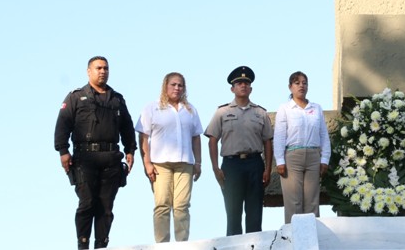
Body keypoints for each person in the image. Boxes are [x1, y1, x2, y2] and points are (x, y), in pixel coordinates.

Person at [54, 56, 137, 249]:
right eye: (98, 68)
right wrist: (63, 150)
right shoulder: (76, 97)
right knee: (87, 203)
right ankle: (83, 244)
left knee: (106, 207)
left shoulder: (117, 99)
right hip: (85, 158)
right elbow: (63, 124)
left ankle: (101, 245)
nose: (103, 71)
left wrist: (130, 149)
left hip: (111, 158)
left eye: (106, 68)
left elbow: (127, 126)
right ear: (88, 71)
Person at [204, 66, 273, 236]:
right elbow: (212, 140)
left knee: (255, 212)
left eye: (246, 83)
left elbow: (267, 142)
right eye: (239, 83)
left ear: (251, 88)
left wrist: (267, 169)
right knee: (233, 213)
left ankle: (255, 246)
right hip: (232, 165)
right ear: (232, 89)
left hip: (255, 164)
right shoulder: (222, 112)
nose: (243, 85)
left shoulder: (260, 113)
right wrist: (215, 168)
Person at [135, 72, 204, 242]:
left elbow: (196, 137)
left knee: (182, 206)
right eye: (173, 84)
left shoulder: (190, 110)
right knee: (162, 205)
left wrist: (198, 162)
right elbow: (143, 136)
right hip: (160, 164)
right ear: (165, 86)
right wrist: (147, 163)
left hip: (185, 163)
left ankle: (182, 243)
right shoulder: (152, 108)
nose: (177, 88)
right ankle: (162, 244)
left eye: (180, 85)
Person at [273, 71, 331, 223]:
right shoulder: (285, 108)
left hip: (313, 156)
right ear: (290, 87)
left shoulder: (316, 108)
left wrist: (325, 158)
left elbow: (323, 134)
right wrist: (280, 160)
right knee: (294, 202)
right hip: (293, 156)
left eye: (304, 83)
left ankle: (312, 235)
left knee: (312, 201)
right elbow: (279, 135)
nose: (301, 86)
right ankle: (292, 235)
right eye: (297, 83)